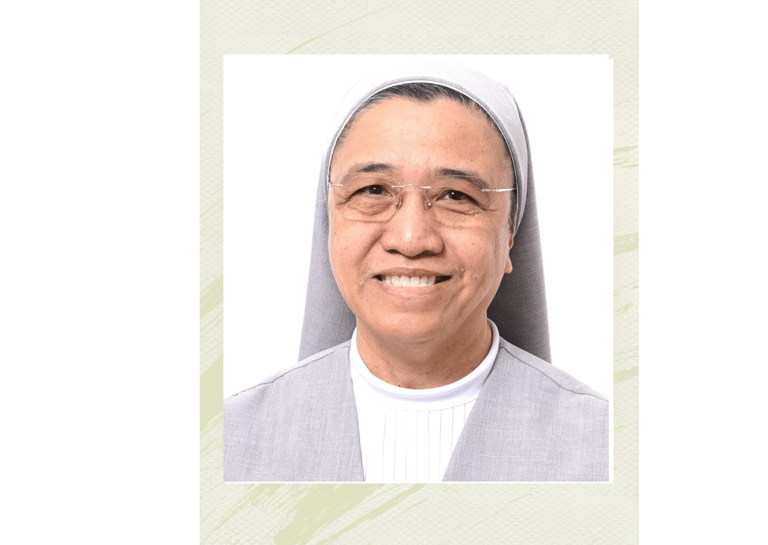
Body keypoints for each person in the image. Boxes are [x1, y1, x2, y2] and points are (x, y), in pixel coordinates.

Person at [224, 62, 609, 482]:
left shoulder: (607, 450)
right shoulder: (226, 445)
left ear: (510, 233)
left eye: (455, 196)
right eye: (373, 190)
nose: (410, 239)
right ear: (329, 219)